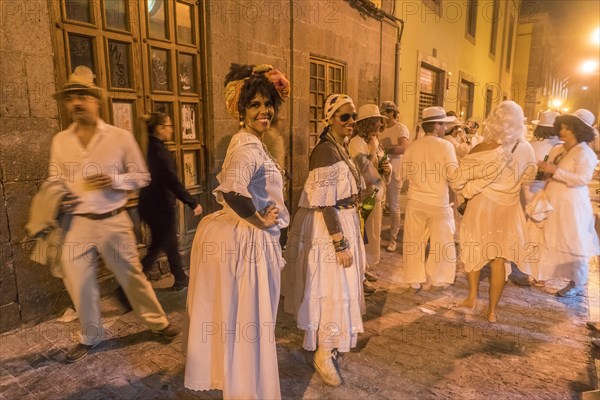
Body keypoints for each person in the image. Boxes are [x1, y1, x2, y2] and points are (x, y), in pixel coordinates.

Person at [49, 66, 179, 363]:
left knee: (132, 276)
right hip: (78, 223)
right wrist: (60, 194)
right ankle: (91, 336)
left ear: (96, 101)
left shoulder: (119, 138)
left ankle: (157, 322)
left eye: (83, 95)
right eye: (71, 98)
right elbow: (55, 177)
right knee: (79, 283)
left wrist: (114, 181)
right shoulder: (61, 141)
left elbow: (142, 176)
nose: (77, 102)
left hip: (113, 219)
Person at [183, 63, 290, 399]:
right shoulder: (246, 144)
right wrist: (259, 220)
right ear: (241, 111)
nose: (264, 111)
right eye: (255, 104)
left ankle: (244, 386)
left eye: (267, 103)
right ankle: (248, 391)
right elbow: (232, 189)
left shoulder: (254, 143)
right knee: (252, 325)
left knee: (249, 324)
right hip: (250, 246)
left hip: (250, 241)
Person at [282, 94, 366, 386]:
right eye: (344, 116)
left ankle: (328, 344)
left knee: (340, 287)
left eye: (353, 116)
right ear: (330, 119)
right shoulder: (325, 151)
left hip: (345, 221)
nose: (351, 122)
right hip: (330, 228)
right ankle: (323, 350)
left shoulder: (340, 149)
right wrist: (339, 242)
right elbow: (324, 201)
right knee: (332, 288)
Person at [451, 101, 536, 322]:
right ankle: (491, 311)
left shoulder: (482, 147)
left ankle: (471, 297)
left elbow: (457, 181)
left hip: (482, 207)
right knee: (499, 260)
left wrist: (472, 187)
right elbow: (528, 179)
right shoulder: (526, 148)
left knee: (473, 250)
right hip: (508, 209)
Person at [523, 109, 600, 297]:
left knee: (571, 242)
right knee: (546, 237)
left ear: (578, 130)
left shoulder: (584, 152)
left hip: (571, 205)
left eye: (568, 128)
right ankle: (539, 274)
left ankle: (576, 282)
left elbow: (581, 179)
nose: (563, 131)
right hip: (553, 200)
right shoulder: (560, 149)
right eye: (562, 127)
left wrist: (554, 170)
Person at [138, 112, 203, 291]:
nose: (172, 130)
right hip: (158, 207)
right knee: (160, 247)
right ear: (160, 129)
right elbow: (172, 180)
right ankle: (128, 289)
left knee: (165, 244)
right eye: (168, 126)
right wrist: (192, 202)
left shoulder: (152, 147)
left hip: (152, 206)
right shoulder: (159, 151)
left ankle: (180, 277)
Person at [401, 106, 458, 291]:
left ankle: (413, 279)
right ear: (437, 125)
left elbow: (405, 175)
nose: (445, 129)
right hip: (438, 202)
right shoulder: (446, 146)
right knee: (442, 242)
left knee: (413, 241)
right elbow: (453, 175)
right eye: (443, 125)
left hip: (415, 200)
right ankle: (438, 278)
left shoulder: (412, 147)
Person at [348, 104, 392, 291]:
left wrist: (387, 169)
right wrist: (378, 167)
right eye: (377, 120)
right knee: (362, 235)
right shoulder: (357, 142)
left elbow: (380, 164)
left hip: (376, 194)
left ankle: (364, 268)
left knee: (372, 234)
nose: (381, 123)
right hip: (365, 196)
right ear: (368, 123)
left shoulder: (375, 140)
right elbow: (364, 170)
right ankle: (359, 277)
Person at [379, 101, 410, 252]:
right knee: (379, 204)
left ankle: (393, 239)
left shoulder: (400, 128)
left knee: (393, 206)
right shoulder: (381, 128)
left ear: (391, 113)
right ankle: (376, 235)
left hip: (395, 172)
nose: (381, 115)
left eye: (383, 112)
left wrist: (385, 148)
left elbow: (404, 148)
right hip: (381, 170)